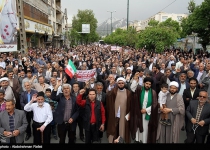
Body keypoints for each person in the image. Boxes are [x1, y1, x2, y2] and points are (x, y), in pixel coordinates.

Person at [130, 77, 158, 143]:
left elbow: (155, 104)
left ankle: (144, 141)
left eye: (149, 84)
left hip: (147, 113)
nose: (147, 85)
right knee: (138, 127)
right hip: (138, 112)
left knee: (145, 128)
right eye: (146, 83)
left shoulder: (153, 92)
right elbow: (132, 88)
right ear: (144, 83)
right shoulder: (139, 89)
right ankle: (138, 140)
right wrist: (135, 80)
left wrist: (146, 110)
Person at [106, 77, 132, 143]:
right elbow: (108, 94)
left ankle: (121, 140)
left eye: (122, 83)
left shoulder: (128, 93)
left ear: (124, 84)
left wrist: (129, 113)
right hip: (115, 112)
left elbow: (131, 104)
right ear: (117, 83)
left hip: (124, 113)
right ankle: (112, 140)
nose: (121, 84)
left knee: (122, 127)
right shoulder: (114, 91)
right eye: (119, 83)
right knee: (113, 126)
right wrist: (111, 85)